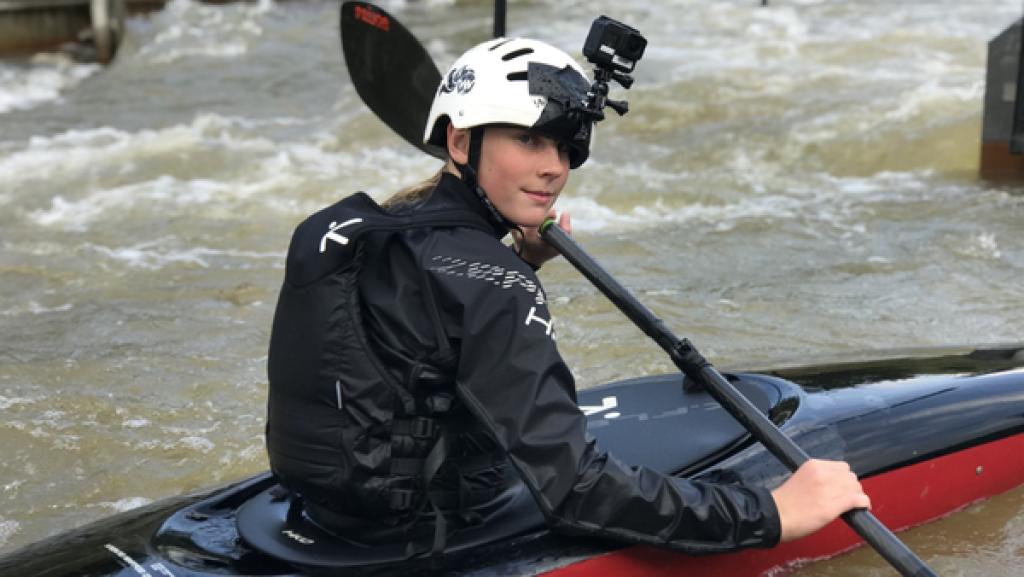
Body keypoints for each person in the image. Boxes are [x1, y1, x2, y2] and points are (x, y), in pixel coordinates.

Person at [265, 36, 870, 557]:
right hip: (424, 538)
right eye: (529, 142)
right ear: (458, 142)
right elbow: (574, 492)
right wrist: (770, 513)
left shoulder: (340, 229)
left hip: (326, 517)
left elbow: (400, 353)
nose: (553, 168)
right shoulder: (491, 283)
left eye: (564, 148)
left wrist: (515, 258)